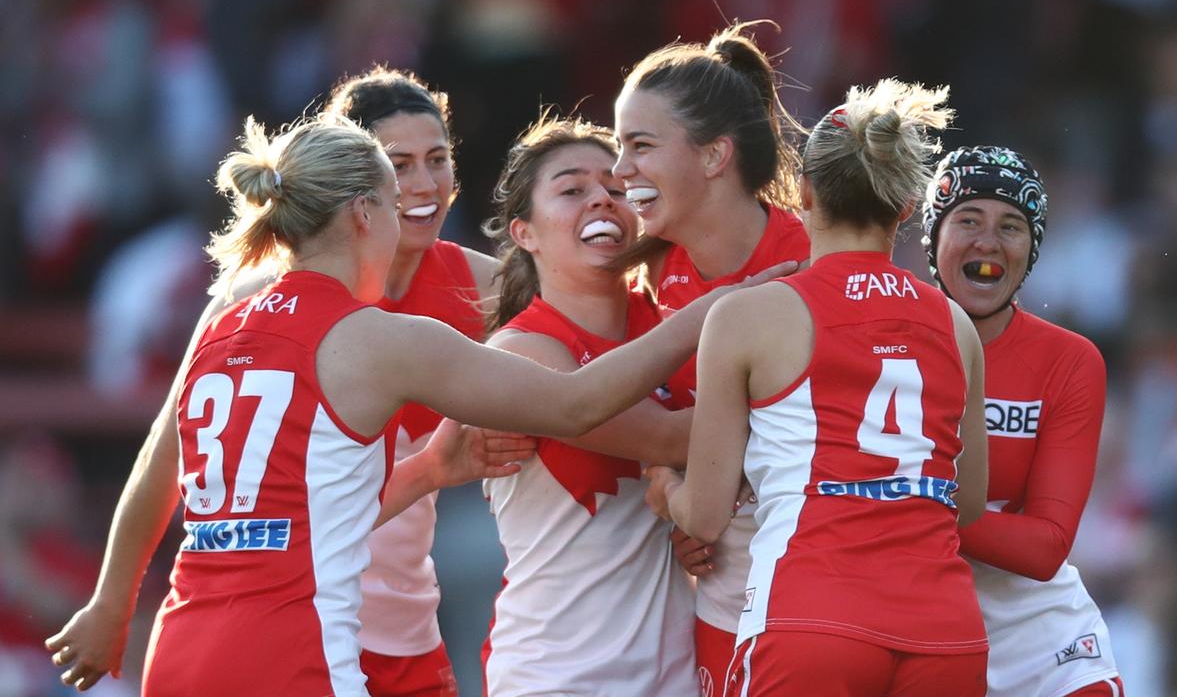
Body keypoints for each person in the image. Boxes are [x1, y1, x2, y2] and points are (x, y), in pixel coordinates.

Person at [45, 115, 773, 696]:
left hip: (180, 646)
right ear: (365, 213)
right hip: (291, 653)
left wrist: (112, 605)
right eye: (395, 204)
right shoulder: (374, 337)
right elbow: (576, 403)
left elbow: (160, 472)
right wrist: (719, 309)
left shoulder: (223, 322)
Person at [655, 79, 990, 696]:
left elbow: (704, 515)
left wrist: (665, 485)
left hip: (811, 613)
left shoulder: (748, 316)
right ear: (907, 206)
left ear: (803, 193)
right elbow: (965, 505)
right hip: (945, 628)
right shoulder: (956, 325)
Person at [610, 21, 810, 696]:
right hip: (723, 591)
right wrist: (670, 486)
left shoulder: (811, 263)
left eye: (640, 146)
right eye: (618, 148)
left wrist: (684, 494)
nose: (618, 173)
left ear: (715, 155)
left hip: (817, 596)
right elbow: (664, 429)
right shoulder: (652, 271)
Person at [479, 114, 709, 696]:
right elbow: (662, 437)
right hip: (554, 675)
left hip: (677, 671)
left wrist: (703, 517)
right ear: (524, 233)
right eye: (572, 190)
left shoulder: (678, 321)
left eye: (615, 188)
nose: (602, 201)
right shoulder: (518, 349)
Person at [921, 145, 1124, 697]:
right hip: (915, 629)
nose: (987, 242)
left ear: (1030, 252)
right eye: (967, 220)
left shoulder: (1070, 361)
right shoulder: (881, 341)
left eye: (1011, 226)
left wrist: (906, 505)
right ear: (932, 235)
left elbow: (1045, 547)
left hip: (1043, 644)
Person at [321, 66, 496, 697]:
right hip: (303, 628)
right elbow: (165, 457)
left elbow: (597, 356)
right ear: (355, 179)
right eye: (400, 164)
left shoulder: (488, 288)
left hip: (410, 634)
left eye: (438, 159)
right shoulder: (273, 297)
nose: (424, 186)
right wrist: (112, 602)